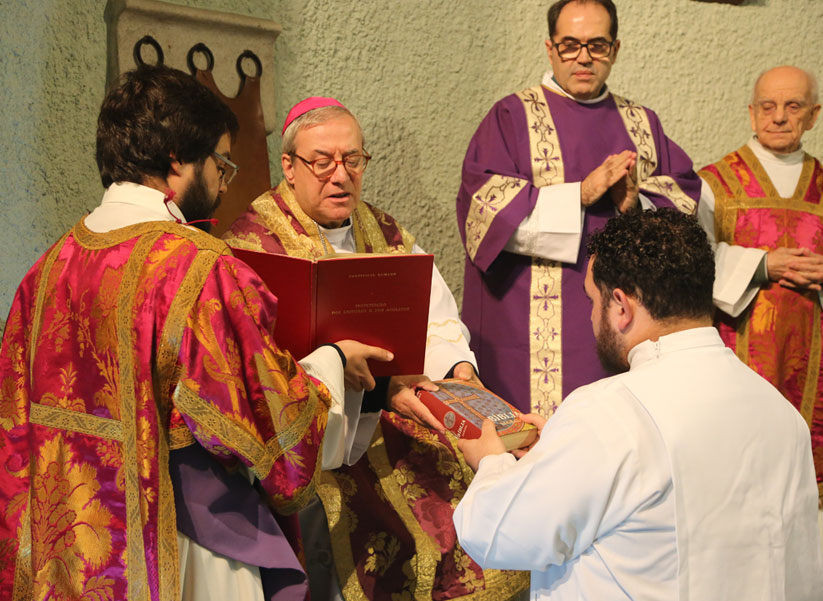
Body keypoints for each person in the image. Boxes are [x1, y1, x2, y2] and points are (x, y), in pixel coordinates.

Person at [0, 65, 390, 601]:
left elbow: (14, 439)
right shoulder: (198, 270)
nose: (226, 182)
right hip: (181, 549)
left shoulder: (44, 274)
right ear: (178, 160)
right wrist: (330, 359)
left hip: (68, 557)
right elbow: (270, 424)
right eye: (221, 163)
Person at [223, 97, 527, 601]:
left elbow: (435, 315)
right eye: (322, 162)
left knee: (460, 480)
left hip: (390, 413)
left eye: (353, 161)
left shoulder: (383, 232)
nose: (340, 176)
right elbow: (254, 362)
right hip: (312, 429)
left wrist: (458, 370)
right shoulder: (251, 244)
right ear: (290, 167)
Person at [453, 209, 823, 600]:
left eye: (592, 301)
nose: (592, 317)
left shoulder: (609, 411)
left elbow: (495, 535)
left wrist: (492, 462)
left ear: (621, 306)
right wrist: (560, 448)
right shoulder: (782, 415)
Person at [456, 0, 701, 417]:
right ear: (550, 49)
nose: (583, 57)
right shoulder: (511, 117)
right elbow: (482, 214)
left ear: (616, 49)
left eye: (597, 45)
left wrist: (635, 204)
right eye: (570, 45)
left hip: (622, 325)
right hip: (526, 333)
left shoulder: (642, 124)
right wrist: (578, 196)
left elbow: (681, 205)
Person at [697, 65, 823, 507]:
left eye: (794, 106)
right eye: (768, 107)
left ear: (814, 115)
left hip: (814, 358)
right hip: (736, 344)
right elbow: (693, 263)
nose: (779, 117)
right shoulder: (713, 183)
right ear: (751, 114)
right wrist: (762, 264)